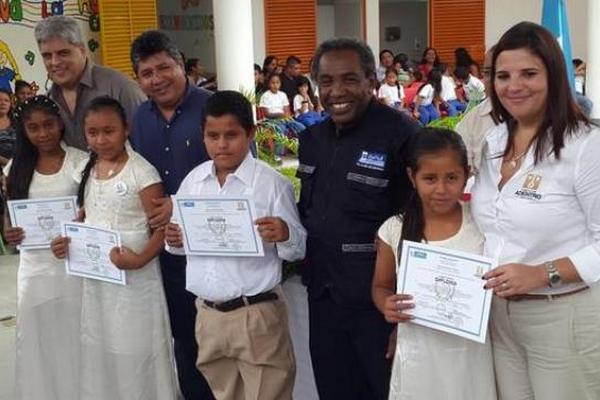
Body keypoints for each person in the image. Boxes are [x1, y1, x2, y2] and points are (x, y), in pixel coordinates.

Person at [471, 21, 600, 400]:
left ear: (555, 76)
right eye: (503, 75)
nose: (514, 86)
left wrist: (542, 274)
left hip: (562, 315)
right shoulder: (494, 140)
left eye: (529, 73)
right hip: (499, 317)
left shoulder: (586, 146)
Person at [298, 37, 419, 400]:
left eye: (350, 79)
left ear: (371, 81)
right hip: (324, 298)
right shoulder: (312, 139)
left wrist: (405, 322)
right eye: (326, 81)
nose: (337, 91)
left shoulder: (403, 135)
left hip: (377, 305)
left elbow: (418, 226)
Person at [165, 90, 306, 399]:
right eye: (212, 136)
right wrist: (173, 239)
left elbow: (298, 248)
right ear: (202, 136)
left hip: (256, 313)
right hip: (208, 314)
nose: (221, 144)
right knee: (224, 393)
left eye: (231, 135)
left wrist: (284, 233)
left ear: (250, 133)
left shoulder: (270, 184)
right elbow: (179, 243)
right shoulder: (193, 181)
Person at [49, 97, 178, 399]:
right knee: (103, 346)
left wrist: (141, 258)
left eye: (109, 131)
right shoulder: (89, 169)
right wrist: (69, 240)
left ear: (126, 129)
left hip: (135, 279)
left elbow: (161, 228)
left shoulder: (141, 172)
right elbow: (87, 215)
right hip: (99, 278)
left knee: (135, 347)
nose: (101, 139)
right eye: (93, 132)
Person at [372, 128, 497, 400]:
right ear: (411, 177)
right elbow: (381, 286)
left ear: (467, 174)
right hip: (418, 357)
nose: (441, 189)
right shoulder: (394, 229)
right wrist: (387, 305)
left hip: (471, 357)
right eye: (429, 178)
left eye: (452, 178)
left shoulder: (482, 223)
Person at [129, 30, 214, 400]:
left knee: (216, 336)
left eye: (164, 67)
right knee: (183, 335)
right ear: (138, 79)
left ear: (182, 66)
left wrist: (178, 204)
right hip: (165, 246)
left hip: (213, 244)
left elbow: (241, 179)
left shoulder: (213, 108)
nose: (157, 78)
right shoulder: (139, 118)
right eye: (147, 73)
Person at [3, 95, 87, 400]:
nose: (43, 134)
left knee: (75, 337)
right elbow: (10, 214)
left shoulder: (80, 162)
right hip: (34, 268)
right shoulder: (17, 166)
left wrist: (78, 233)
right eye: (33, 127)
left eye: (49, 125)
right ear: (23, 130)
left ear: (60, 123)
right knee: (38, 338)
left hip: (72, 265)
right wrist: (10, 233)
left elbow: (91, 212)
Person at [34, 16, 146, 151]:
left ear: (82, 50)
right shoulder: (49, 100)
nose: (55, 62)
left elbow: (147, 142)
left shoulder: (120, 88)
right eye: (47, 56)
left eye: (63, 53)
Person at [455, 46, 499, 174]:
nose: (496, 80)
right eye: (488, 72)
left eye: (528, 74)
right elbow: (461, 172)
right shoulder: (471, 121)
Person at [0, 88, 15, 168]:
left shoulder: (17, 123)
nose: (3, 103)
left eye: (6, 100)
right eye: (0, 100)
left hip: (18, 168)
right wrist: (9, 164)